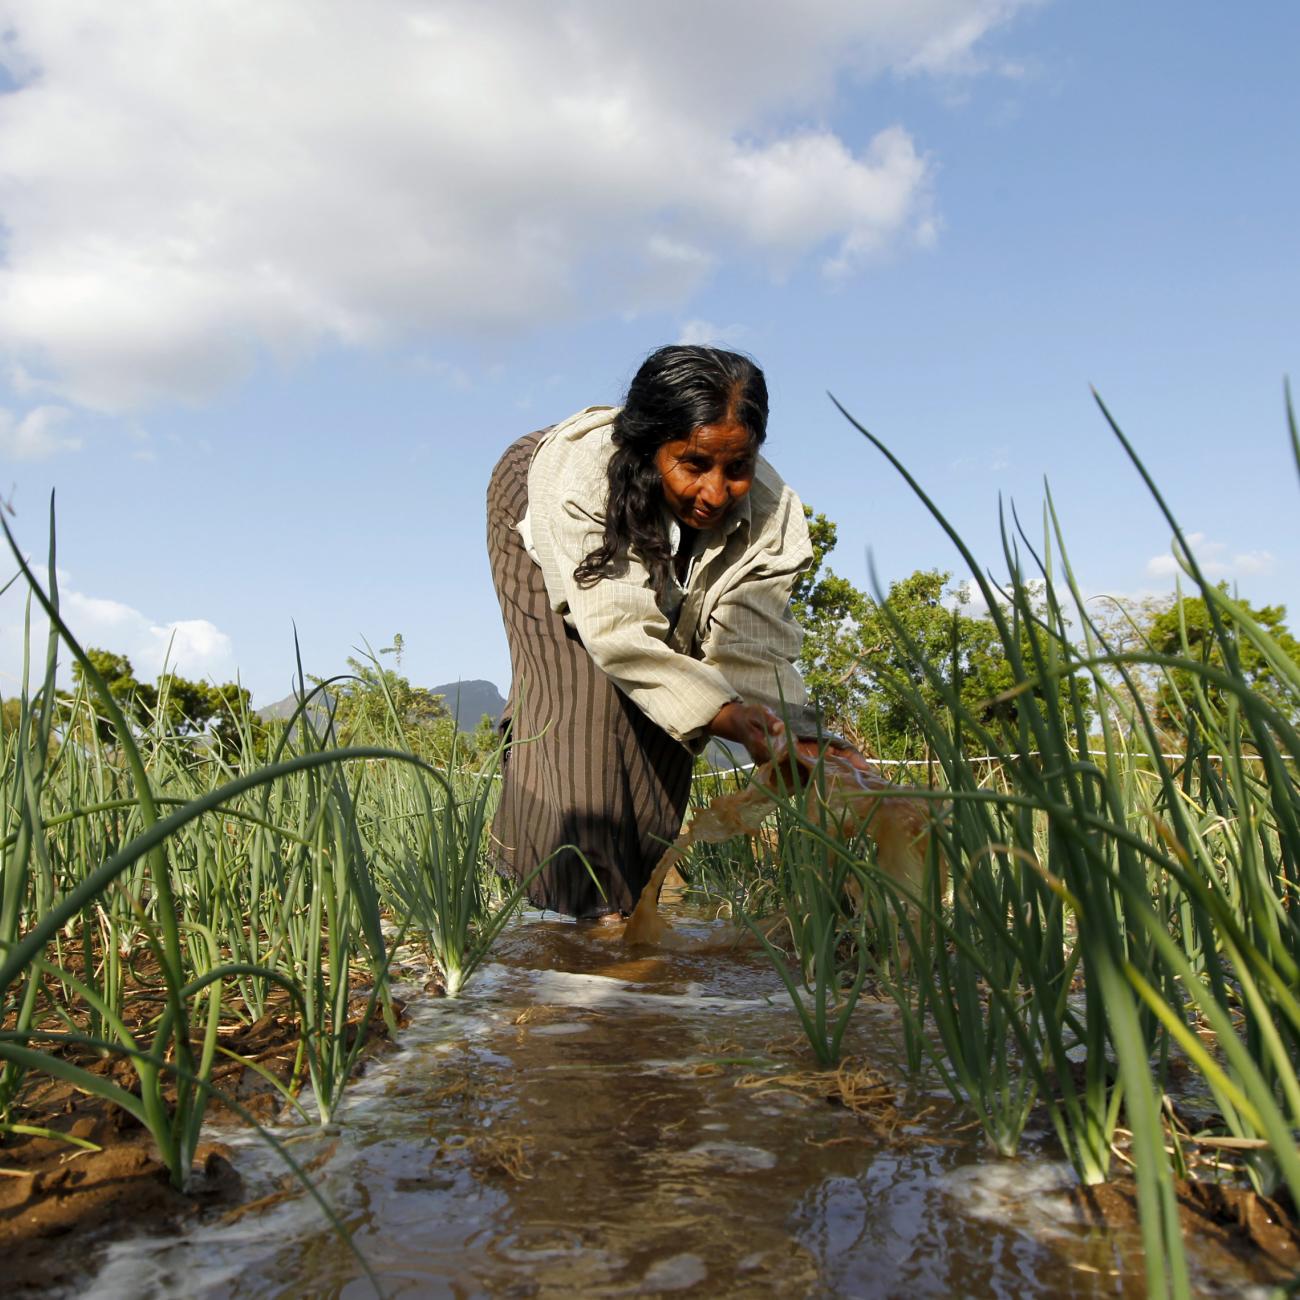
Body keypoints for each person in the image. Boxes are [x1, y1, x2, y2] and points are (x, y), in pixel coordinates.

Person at [485, 344, 824, 919]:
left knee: (668, 733)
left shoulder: (770, 514)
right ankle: (560, 915)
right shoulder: (582, 483)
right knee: (581, 699)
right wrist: (729, 717)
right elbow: (619, 634)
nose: (716, 492)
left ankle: (630, 911)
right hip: (538, 517)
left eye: (737, 469)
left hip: (633, 560)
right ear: (649, 448)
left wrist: (797, 730)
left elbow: (751, 640)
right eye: (694, 464)